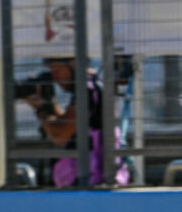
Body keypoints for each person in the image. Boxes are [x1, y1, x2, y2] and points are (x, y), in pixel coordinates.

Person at [17, 56, 129, 187]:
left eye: (56, 70)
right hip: (94, 177)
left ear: (73, 64)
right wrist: (45, 103)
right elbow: (66, 124)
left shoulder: (86, 90)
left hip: (88, 180)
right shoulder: (93, 84)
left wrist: (41, 110)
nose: (55, 78)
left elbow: (61, 135)